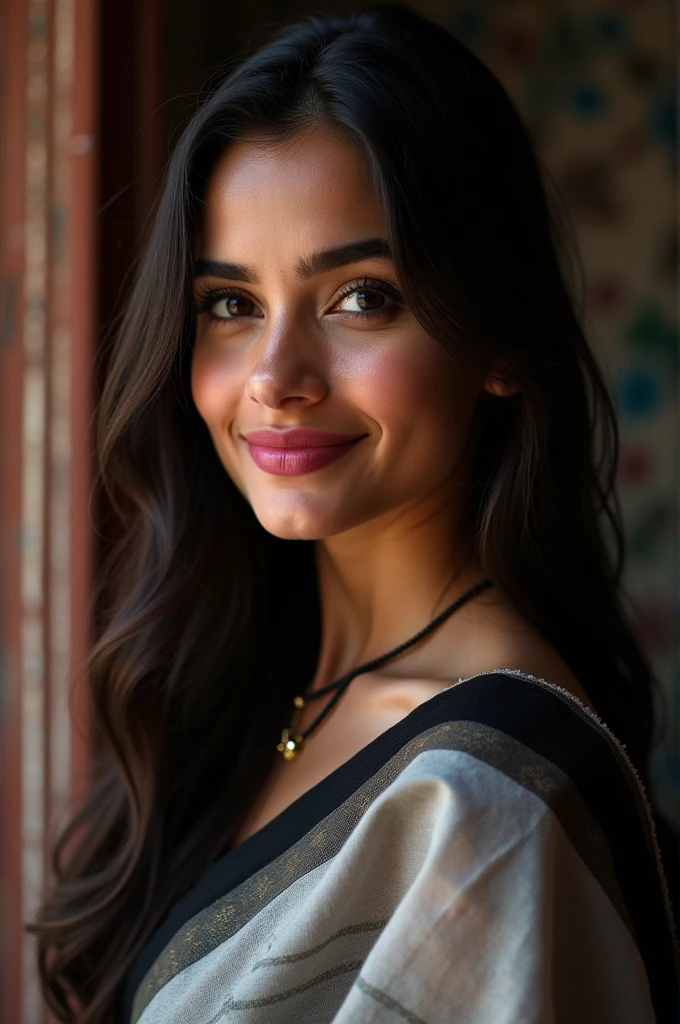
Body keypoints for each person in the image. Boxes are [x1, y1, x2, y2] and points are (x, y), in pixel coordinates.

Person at [33, 5, 678, 1022]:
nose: (275, 377)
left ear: (498, 345)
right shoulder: (256, 686)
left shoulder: (484, 799)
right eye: (231, 305)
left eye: (360, 298)